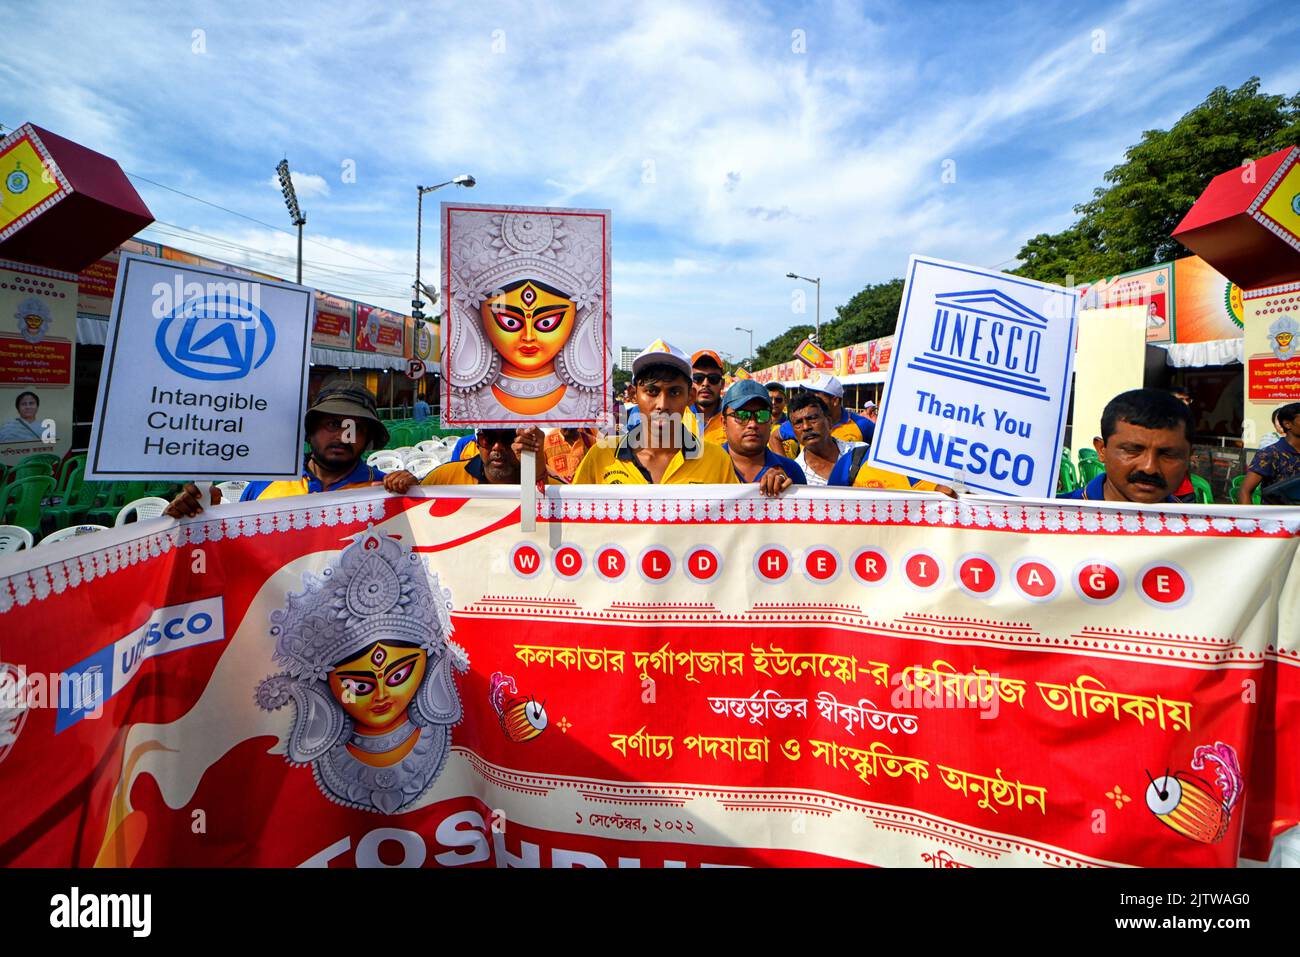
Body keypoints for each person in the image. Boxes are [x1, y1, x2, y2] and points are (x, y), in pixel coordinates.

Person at [164, 380, 391, 516]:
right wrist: (202, 515)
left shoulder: (386, 491)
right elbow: (236, 551)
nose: (343, 437)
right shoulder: (264, 484)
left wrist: (414, 494)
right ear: (309, 431)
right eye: (332, 424)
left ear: (367, 437)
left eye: (355, 428)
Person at [573, 340, 738, 485]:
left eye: (674, 392)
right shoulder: (601, 456)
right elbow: (568, 512)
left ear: (690, 397)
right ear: (633, 394)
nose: (662, 404)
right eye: (652, 391)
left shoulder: (717, 461)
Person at [1059, 388, 1193, 504]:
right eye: (1132, 450)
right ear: (1101, 450)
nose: (1149, 468)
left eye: (1168, 454)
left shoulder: (1198, 528)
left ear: (1189, 458)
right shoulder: (1051, 520)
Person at [719, 380, 805, 496]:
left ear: (770, 422)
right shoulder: (706, 467)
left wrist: (787, 493)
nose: (753, 424)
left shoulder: (791, 471)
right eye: (742, 415)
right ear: (724, 423)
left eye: (762, 415)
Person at [384, 427, 545, 488]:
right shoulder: (444, 479)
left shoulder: (548, 487)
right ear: (477, 443)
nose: (497, 447)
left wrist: (536, 472)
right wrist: (409, 488)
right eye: (487, 438)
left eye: (509, 438)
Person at [787, 391, 864, 486]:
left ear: (829, 422)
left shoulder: (861, 453)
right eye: (798, 422)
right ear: (793, 431)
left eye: (812, 418)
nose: (806, 427)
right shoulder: (795, 476)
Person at [776, 374, 874, 447]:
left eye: (816, 397)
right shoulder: (802, 423)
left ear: (835, 401)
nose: (811, 401)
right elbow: (775, 438)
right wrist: (786, 467)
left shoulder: (862, 424)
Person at [1239, 402, 1300, 504]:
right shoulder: (1270, 453)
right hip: (1278, 518)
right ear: (1287, 424)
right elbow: (1244, 491)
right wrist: (1253, 519)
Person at [687, 349, 727, 445]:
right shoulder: (677, 416)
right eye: (698, 378)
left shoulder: (733, 418)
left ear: (722, 384)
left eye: (713, 378)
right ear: (689, 382)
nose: (705, 384)